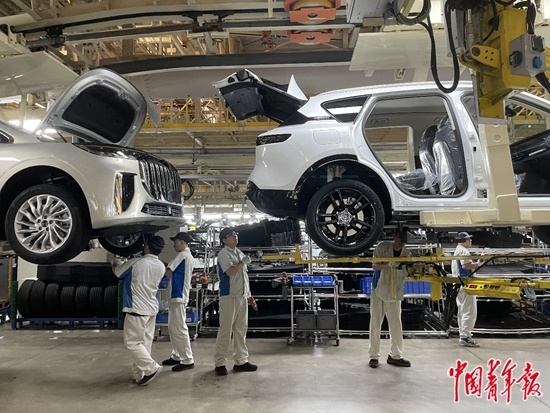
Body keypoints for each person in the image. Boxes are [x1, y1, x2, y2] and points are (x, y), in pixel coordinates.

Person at [112, 235, 166, 386]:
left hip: (136, 308)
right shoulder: (161, 266)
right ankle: (138, 374)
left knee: (133, 343)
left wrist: (115, 261)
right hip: (151, 309)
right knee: (145, 343)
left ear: (147, 247)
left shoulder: (136, 262)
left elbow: (118, 273)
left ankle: (151, 368)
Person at [214, 227, 258, 376]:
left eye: (235, 234)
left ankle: (241, 361)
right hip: (229, 296)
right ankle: (220, 363)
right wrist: (241, 263)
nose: (235, 237)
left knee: (241, 329)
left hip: (242, 296)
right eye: (231, 235)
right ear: (224, 240)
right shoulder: (223, 254)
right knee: (225, 330)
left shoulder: (239, 253)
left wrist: (249, 296)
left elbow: (244, 278)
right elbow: (230, 271)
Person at [368, 229, 413, 368]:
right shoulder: (382, 247)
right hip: (379, 289)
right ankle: (374, 356)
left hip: (394, 291)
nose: (402, 242)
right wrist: (389, 265)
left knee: (396, 324)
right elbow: (375, 265)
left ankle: (396, 356)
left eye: (404, 240)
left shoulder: (407, 253)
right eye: (400, 238)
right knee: (375, 323)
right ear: (395, 236)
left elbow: (408, 270)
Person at [161, 231, 196, 371]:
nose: (174, 245)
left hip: (178, 295)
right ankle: (176, 355)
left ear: (182, 242)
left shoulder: (182, 255)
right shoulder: (187, 256)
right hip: (177, 296)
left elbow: (168, 271)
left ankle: (187, 359)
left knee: (179, 328)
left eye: (175, 242)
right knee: (173, 327)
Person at [452, 231, 480, 348]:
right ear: (463, 240)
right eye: (469, 239)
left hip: (459, 284)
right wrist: (477, 264)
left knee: (462, 311)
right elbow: (465, 265)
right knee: (469, 310)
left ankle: (463, 334)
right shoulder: (463, 251)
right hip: (466, 284)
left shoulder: (457, 250)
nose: (470, 241)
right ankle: (466, 337)